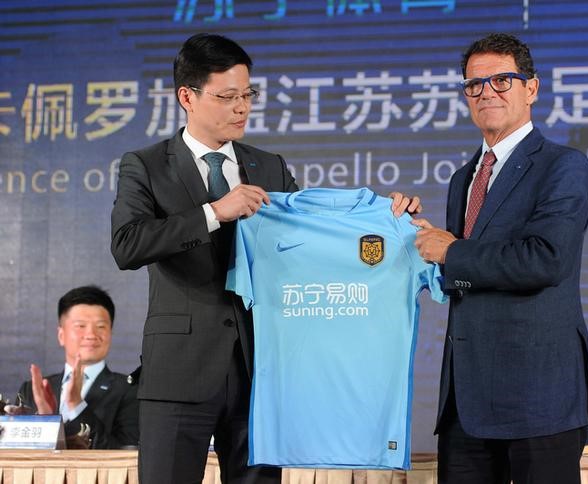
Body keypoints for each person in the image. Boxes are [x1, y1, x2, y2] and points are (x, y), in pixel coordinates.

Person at [110, 33, 419, 484]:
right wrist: (215, 211)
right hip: (179, 371)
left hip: (263, 372)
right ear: (187, 97)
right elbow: (128, 244)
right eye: (227, 96)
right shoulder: (146, 165)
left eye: (248, 94)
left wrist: (386, 223)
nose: (242, 107)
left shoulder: (268, 166)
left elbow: (312, 241)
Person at [413, 33, 588, 484]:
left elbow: (545, 260)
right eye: (474, 85)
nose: (486, 92)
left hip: (539, 396)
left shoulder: (562, 165)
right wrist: (416, 239)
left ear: (531, 88)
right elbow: (464, 275)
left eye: (501, 80)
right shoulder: (463, 178)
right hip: (466, 401)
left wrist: (452, 250)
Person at [4, 285, 139, 450]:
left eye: (101, 326)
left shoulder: (131, 390)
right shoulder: (31, 390)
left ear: (110, 334)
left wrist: (78, 406)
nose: (90, 335)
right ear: (61, 335)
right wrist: (46, 421)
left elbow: (128, 458)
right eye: (80, 326)